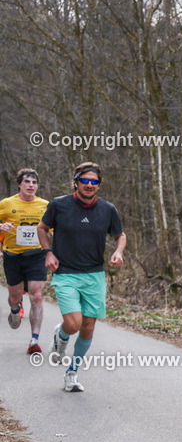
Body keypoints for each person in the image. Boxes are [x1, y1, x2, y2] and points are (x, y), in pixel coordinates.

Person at [37, 162, 126, 392]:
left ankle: (72, 373)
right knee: (74, 324)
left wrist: (118, 252)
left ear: (99, 185)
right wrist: (48, 252)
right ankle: (61, 334)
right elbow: (42, 228)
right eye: (84, 180)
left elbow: (120, 235)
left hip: (94, 275)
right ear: (75, 182)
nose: (89, 185)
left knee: (88, 327)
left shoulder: (108, 210)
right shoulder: (59, 205)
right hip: (66, 272)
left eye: (94, 181)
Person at [0, 169, 49, 352]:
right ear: (19, 184)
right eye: (27, 182)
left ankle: (34, 340)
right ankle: (15, 308)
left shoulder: (45, 205)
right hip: (13, 256)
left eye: (34, 182)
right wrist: (1, 226)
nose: (31, 185)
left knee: (37, 295)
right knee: (14, 295)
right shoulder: (6, 203)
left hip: (36, 255)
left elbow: (53, 227)